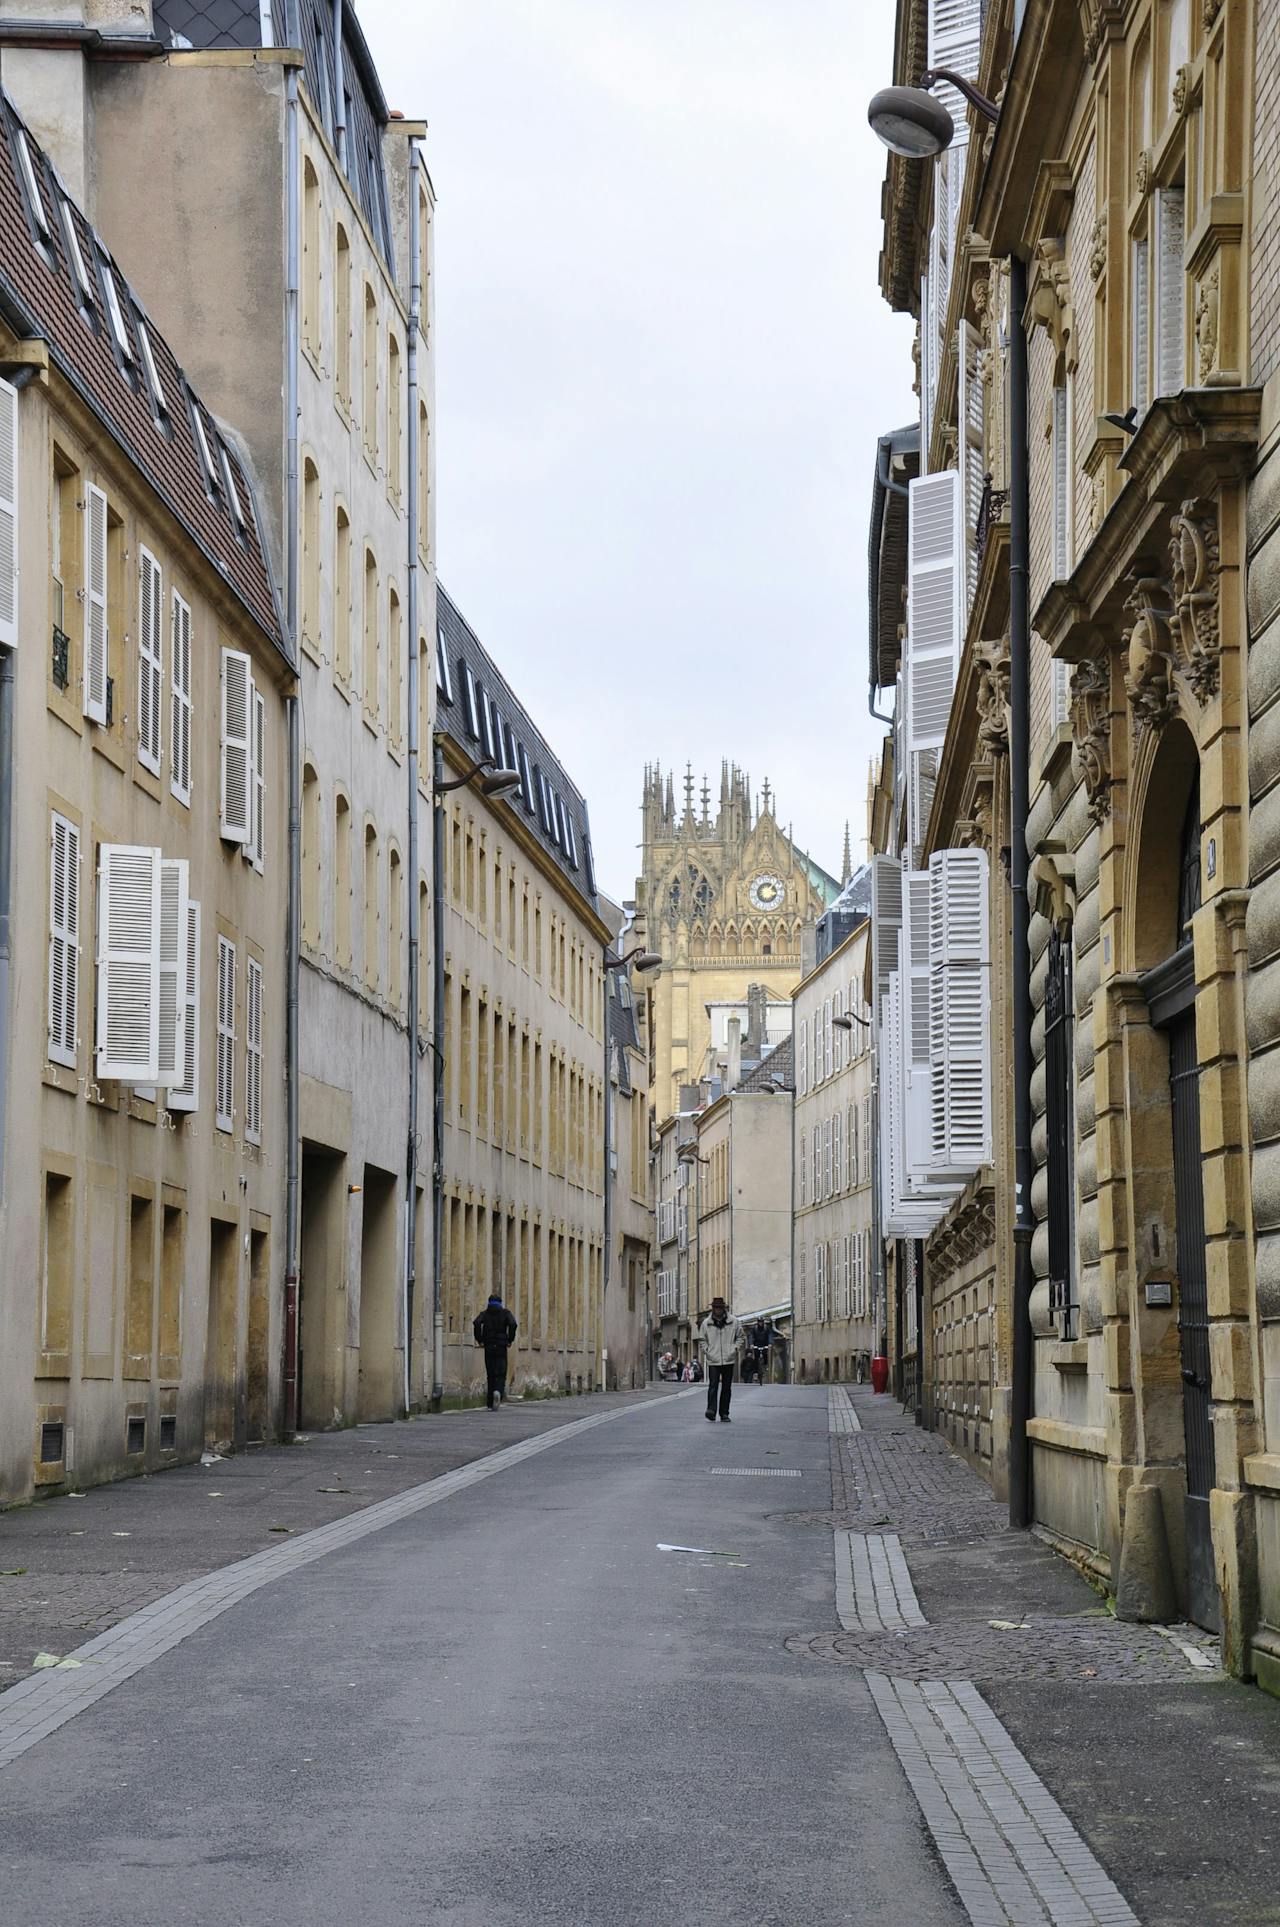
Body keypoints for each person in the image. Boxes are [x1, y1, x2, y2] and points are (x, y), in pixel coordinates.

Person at [699, 1295, 742, 1422]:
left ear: (724, 1308)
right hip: (713, 1359)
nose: (717, 1310)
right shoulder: (706, 1323)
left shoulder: (734, 1321)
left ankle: (724, 1413)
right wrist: (707, 1351)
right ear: (713, 1309)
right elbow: (702, 1339)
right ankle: (711, 1411)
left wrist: (734, 1349)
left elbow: (740, 1337)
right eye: (715, 1308)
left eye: (719, 1307)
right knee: (713, 1386)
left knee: (726, 1388)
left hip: (729, 1358)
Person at [472, 1292, 518, 1409]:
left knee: (491, 1373)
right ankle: (498, 1392)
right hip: (501, 1345)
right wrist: (509, 1339)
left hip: (489, 1345)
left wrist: (480, 1339)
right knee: (501, 1372)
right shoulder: (505, 1313)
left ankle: (490, 1401)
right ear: (500, 1303)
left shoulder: (485, 1314)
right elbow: (513, 1324)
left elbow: (477, 1323)